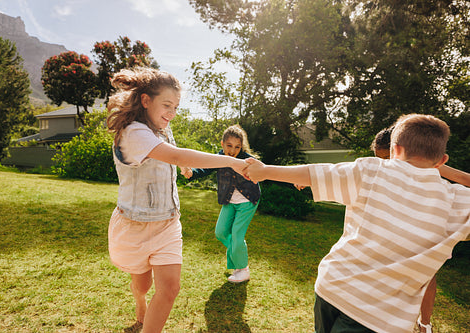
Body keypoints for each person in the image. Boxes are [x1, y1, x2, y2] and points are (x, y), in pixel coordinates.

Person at [244, 114, 470, 333]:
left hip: (332, 288)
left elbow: (315, 173)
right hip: (380, 318)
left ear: (394, 150)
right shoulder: (456, 201)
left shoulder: (371, 171)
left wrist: (263, 171)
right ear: (442, 160)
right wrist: (435, 166)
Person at [106, 67, 249, 333]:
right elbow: (178, 155)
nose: (171, 113)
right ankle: (139, 301)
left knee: (170, 288)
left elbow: (172, 156)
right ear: (146, 100)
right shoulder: (133, 132)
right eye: (167, 105)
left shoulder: (162, 127)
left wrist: (181, 168)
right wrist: (232, 162)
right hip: (134, 226)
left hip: (168, 223)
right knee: (143, 285)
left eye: (176, 107)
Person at [371, 125, 470, 333]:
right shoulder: (381, 171)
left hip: (424, 220)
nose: (386, 164)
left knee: (426, 274)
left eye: (387, 158)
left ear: (398, 150)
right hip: (394, 224)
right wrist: (309, 182)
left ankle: (425, 323)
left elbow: (466, 179)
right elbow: (341, 173)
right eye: (381, 159)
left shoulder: (424, 163)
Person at [182, 125, 261, 283]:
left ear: (242, 147)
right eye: (229, 146)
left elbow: (267, 172)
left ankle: (243, 269)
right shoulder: (219, 158)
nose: (233, 151)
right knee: (221, 232)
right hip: (229, 200)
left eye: (237, 147)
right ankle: (237, 254)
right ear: (222, 143)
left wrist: (294, 181)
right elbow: (205, 169)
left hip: (248, 200)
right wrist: (191, 173)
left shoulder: (246, 159)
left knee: (238, 236)